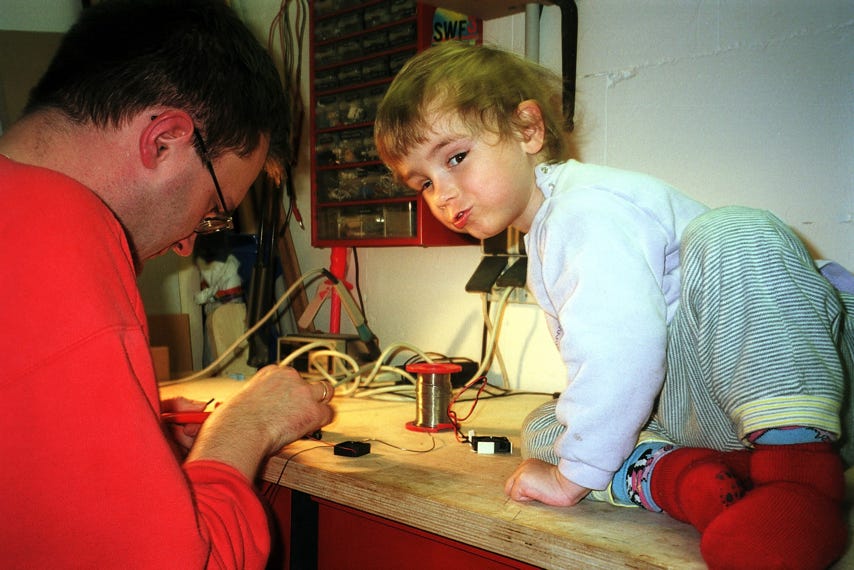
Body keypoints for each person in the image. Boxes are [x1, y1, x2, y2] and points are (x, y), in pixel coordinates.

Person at [374, 41, 854, 569]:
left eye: (456, 158)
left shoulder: (586, 208)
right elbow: (614, 375)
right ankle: (691, 480)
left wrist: (570, 478)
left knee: (735, 230)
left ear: (528, 130)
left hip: (807, 381)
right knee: (546, 426)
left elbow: (623, 350)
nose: (441, 193)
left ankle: (801, 485)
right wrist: (573, 453)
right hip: (715, 412)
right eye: (423, 181)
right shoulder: (543, 235)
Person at [0, 1, 334, 567]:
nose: (186, 246)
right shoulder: (63, 231)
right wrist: (244, 426)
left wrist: (136, 436)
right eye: (211, 209)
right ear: (163, 140)